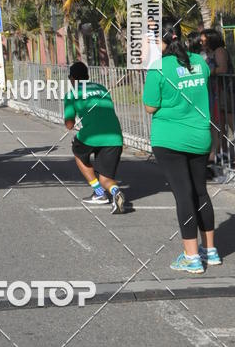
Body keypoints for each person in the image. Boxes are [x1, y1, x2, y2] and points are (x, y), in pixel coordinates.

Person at [144, 19, 221, 273]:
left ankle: (191, 257)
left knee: (184, 195)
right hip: (199, 137)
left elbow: (150, 106)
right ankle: (210, 251)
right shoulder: (199, 63)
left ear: (162, 41)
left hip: (170, 140)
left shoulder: (158, 68)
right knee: (200, 192)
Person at [63, 61, 127, 214]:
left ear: (71, 78)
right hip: (115, 136)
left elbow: (69, 125)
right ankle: (114, 191)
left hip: (93, 134)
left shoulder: (71, 94)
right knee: (106, 179)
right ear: (88, 76)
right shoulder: (102, 88)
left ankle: (99, 193)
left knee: (77, 149)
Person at [201, 27, 234, 169]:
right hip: (216, 92)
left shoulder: (220, 51)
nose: (202, 43)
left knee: (231, 123)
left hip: (226, 91)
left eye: (204, 40)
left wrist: (207, 71)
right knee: (220, 127)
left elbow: (223, 69)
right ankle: (222, 157)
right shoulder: (209, 52)